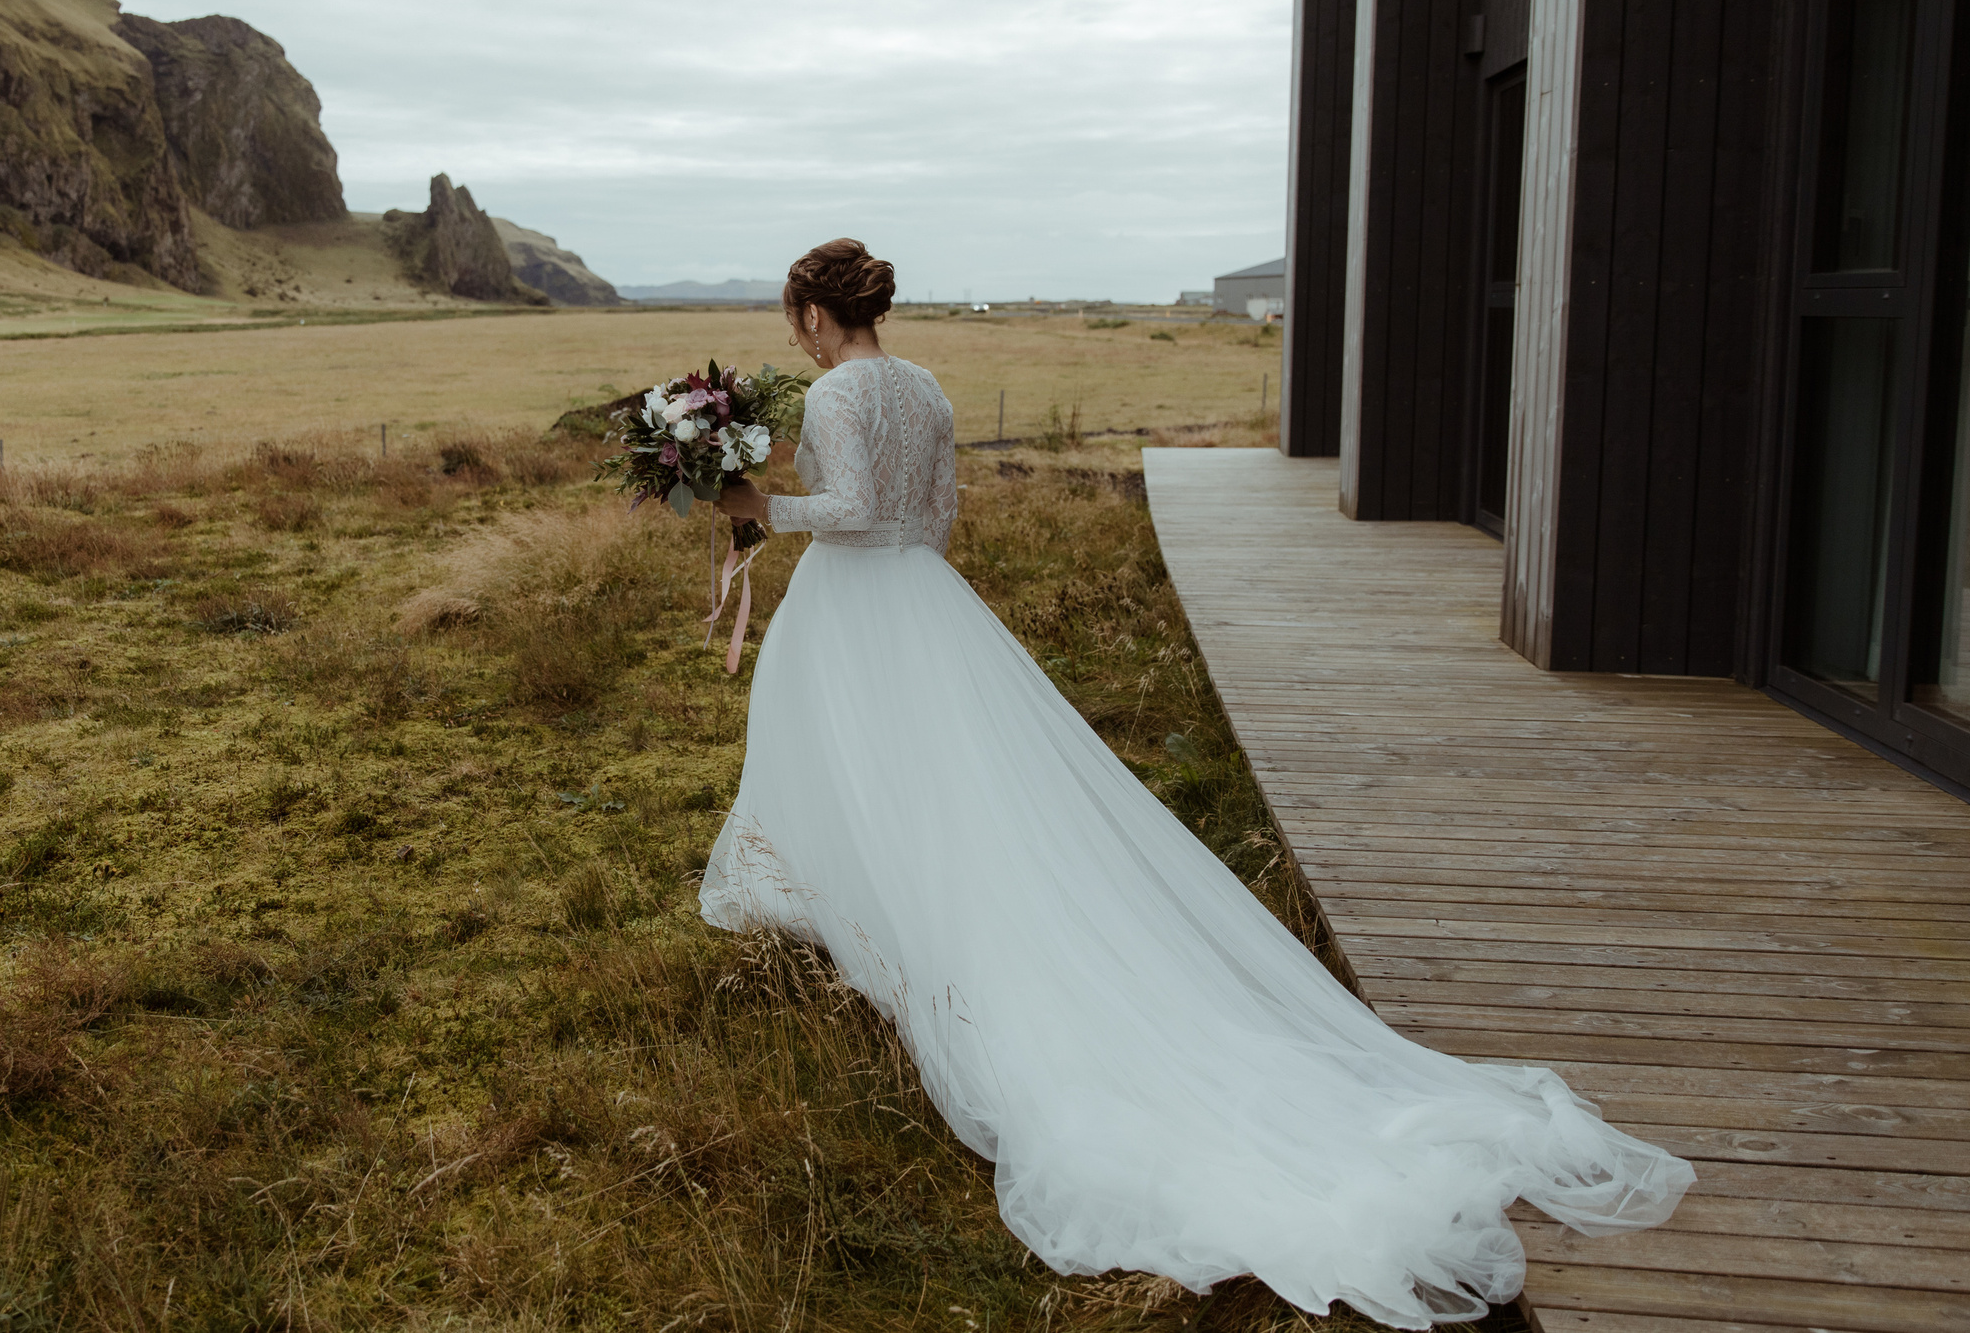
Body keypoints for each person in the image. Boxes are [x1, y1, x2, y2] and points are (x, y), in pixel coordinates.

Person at [704, 239, 1690, 1328]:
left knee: (867, 762)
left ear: (810, 316)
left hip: (855, 605)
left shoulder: (839, 393)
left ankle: (896, 925)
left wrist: (757, 511)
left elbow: (843, 509)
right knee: (963, 782)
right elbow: (935, 517)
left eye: (791, 311)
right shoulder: (927, 387)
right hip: (929, 600)